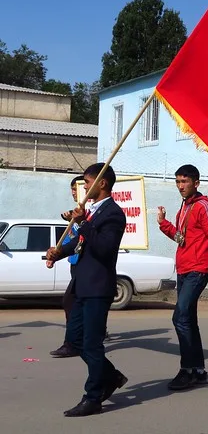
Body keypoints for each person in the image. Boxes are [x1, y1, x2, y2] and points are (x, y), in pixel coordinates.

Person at [45, 163, 128, 417]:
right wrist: (58, 252)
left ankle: (93, 396)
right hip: (81, 285)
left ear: (102, 184)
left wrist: (83, 223)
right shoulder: (90, 212)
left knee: (92, 344)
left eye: (88, 182)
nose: (84, 188)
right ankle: (110, 376)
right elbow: (79, 243)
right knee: (77, 340)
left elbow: (104, 248)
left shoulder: (113, 214)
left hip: (98, 287)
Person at [157, 164, 208, 390]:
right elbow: (182, 238)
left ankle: (187, 369)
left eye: (184, 182)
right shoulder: (185, 206)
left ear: (196, 183)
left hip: (199, 269)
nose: (180, 186)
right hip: (185, 268)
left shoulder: (203, 206)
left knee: (179, 317)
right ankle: (198, 370)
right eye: (178, 182)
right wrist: (164, 224)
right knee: (188, 320)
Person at [50, 176, 83, 359]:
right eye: (73, 188)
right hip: (75, 261)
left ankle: (73, 343)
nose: (74, 191)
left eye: (78, 187)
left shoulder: (88, 212)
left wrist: (78, 220)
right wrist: (57, 255)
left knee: (71, 302)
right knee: (75, 303)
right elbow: (73, 240)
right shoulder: (77, 212)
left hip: (86, 264)